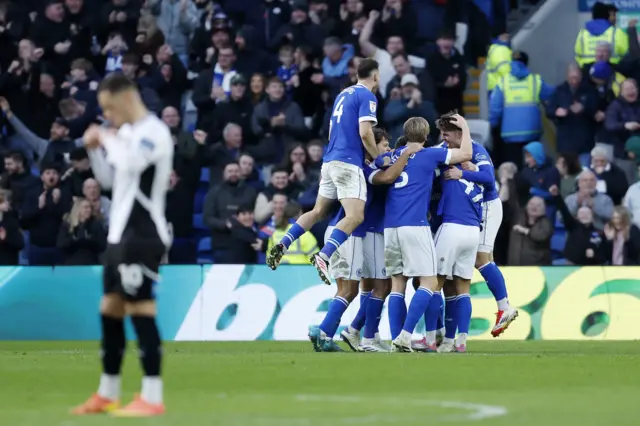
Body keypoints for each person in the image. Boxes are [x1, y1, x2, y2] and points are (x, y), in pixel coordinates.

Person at [71, 74, 172, 417]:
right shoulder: (126, 134)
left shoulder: (154, 132)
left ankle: (152, 397)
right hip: (118, 237)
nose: (108, 116)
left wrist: (106, 137)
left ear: (126, 98)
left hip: (142, 235)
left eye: (109, 109)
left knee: (140, 310)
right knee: (110, 311)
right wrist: (96, 149)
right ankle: (108, 392)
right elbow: (111, 179)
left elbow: (130, 163)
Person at [267, 58, 381, 285]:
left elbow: (332, 132)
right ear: (375, 76)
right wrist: (377, 158)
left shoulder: (342, 95)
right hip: (348, 163)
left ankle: (285, 242)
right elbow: (366, 133)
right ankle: (324, 255)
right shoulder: (367, 95)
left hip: (329, 161)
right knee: (355, 215)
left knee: (318, 210)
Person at [311, 128, 413, 353]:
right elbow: (386, 176)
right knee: (368, 287)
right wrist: (405, 154)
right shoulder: (365, 168)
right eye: (384, 145)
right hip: (362, 232)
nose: (387, 149)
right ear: (370, 146)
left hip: (361, 232)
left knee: (366, 287)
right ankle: (339, 332)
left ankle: (357, 332)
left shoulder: (364, 166)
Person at [384, 115, 473, 353]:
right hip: (415, 224)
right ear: (425, 137)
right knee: (430, 281)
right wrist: (464, 126)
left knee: (397, 284)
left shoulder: (391, 156)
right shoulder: (429, 154)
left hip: (390, 226)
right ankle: (405, 335)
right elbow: (465, 154)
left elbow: (375, 159)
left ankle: (396, 339)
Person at [437, 112, 518, 342]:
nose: (443, 139)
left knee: (481, 258)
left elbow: (488, 177)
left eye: (447, 134)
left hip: (486, 207)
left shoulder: (476, 149)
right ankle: (452, 335)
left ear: (459, 133)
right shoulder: (447, 149)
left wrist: (462, 172)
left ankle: (505, 307)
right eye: (441, 134)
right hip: (466, 209)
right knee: (467, 268)